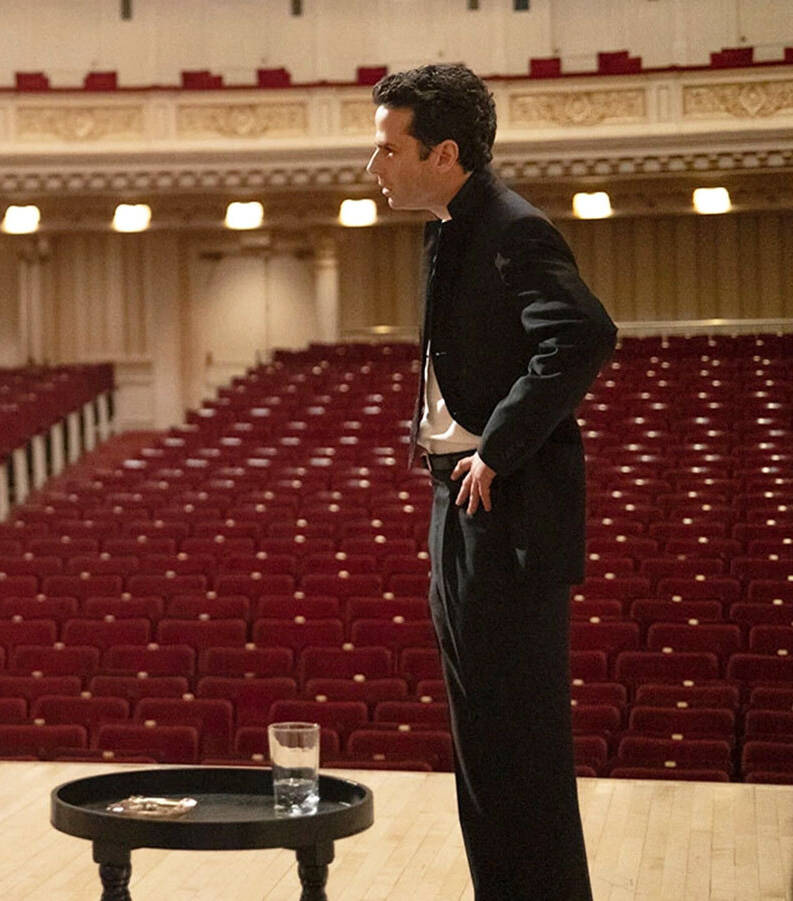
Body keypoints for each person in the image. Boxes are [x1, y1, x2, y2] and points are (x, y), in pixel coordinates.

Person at [366, 64, 616, 900]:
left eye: (387, 149)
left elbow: (582, 334)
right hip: (461, 504)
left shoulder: (512, 228)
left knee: (519, 756)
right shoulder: (449, 227)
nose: (374, 168)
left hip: (504, 511)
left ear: (443, 152)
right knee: (484, 751)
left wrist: (499, 448)